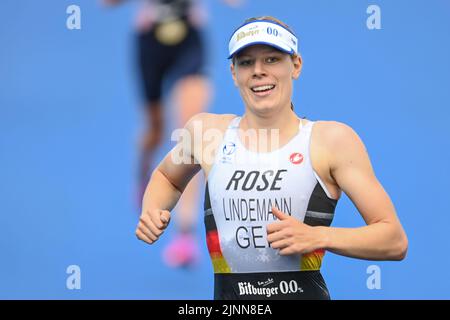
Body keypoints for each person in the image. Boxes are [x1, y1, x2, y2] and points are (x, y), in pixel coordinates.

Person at [136, 16, 408, 299]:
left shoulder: (331, 141)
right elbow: (167, 177)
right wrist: (152, 208)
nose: (258, 71)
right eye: (246, 62)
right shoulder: (205, 133)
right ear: (233, 72)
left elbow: (393, 239)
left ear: (296, 66)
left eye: (272, 60)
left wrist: (318, 237)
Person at [104, 0, 240, 268]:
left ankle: (185, 234)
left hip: (189, 40)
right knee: (154, 129)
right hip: (150, 41)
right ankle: (144, 173)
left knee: (190, 134)